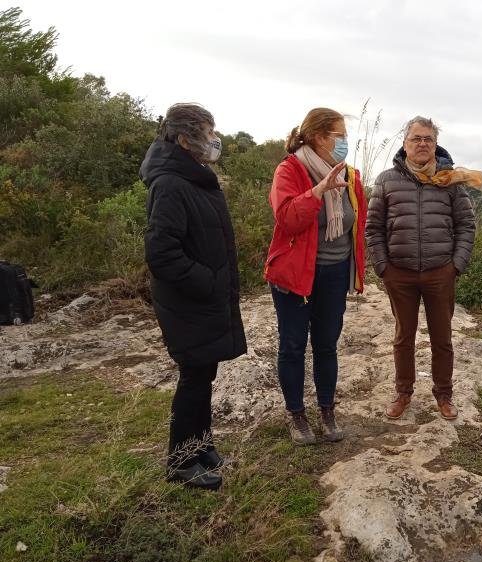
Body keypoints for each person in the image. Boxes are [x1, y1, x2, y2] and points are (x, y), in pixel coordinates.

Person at [142, 103, 247, 490]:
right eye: (207, 131)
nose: (214, 138)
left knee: (204, 373)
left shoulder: (194, 175)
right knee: (194, 377)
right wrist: (206, 281)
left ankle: (201, 445)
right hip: (188, 300)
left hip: (201, 298)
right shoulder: (170, 183)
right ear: (184, 139)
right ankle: (181, 462)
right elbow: (161, 253)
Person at [366, 116, 482, 421]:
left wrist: (455, 265)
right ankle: (403, 393)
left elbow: (466, 225)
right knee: (403, 337)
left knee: (442, 337)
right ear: (404, 144)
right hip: (399, 273)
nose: (422, 144)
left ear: (435, 144)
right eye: (416, 138)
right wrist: (383, 266)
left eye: (428, 139)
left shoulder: (451, 181)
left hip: (439, 271)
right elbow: (373, 227)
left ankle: (444, 394)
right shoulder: (386, 180)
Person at [264, 107, 366, 445]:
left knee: (327, 344)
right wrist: (318, 190)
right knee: (293, 344)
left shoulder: (350, 175)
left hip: (335, 273)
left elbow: (357, 223)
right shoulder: (290, 170)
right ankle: (296, 414)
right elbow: (289, 219)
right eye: (340, 135)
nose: (345, 142)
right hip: (296, 275)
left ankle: (326, 410)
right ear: (320, 136)